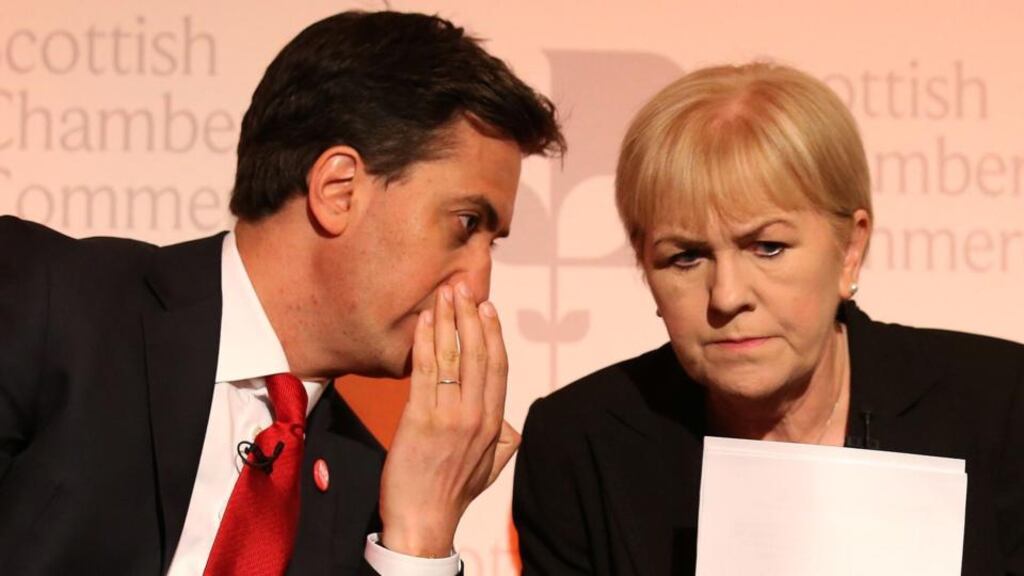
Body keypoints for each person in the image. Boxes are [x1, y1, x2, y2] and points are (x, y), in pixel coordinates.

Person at [0, 10, 564, 575]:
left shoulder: (379, 501)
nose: (479, 284)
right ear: (339, 190)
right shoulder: (47, 299)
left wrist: (419, 540)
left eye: (494, 242)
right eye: (466, 224)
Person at [513, 62, 1023, 575]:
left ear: (850, 250)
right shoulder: (580, 445)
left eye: (768, 247)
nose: (728, 296)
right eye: (686, 256)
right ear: (646, 267)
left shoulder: (1002, 407)